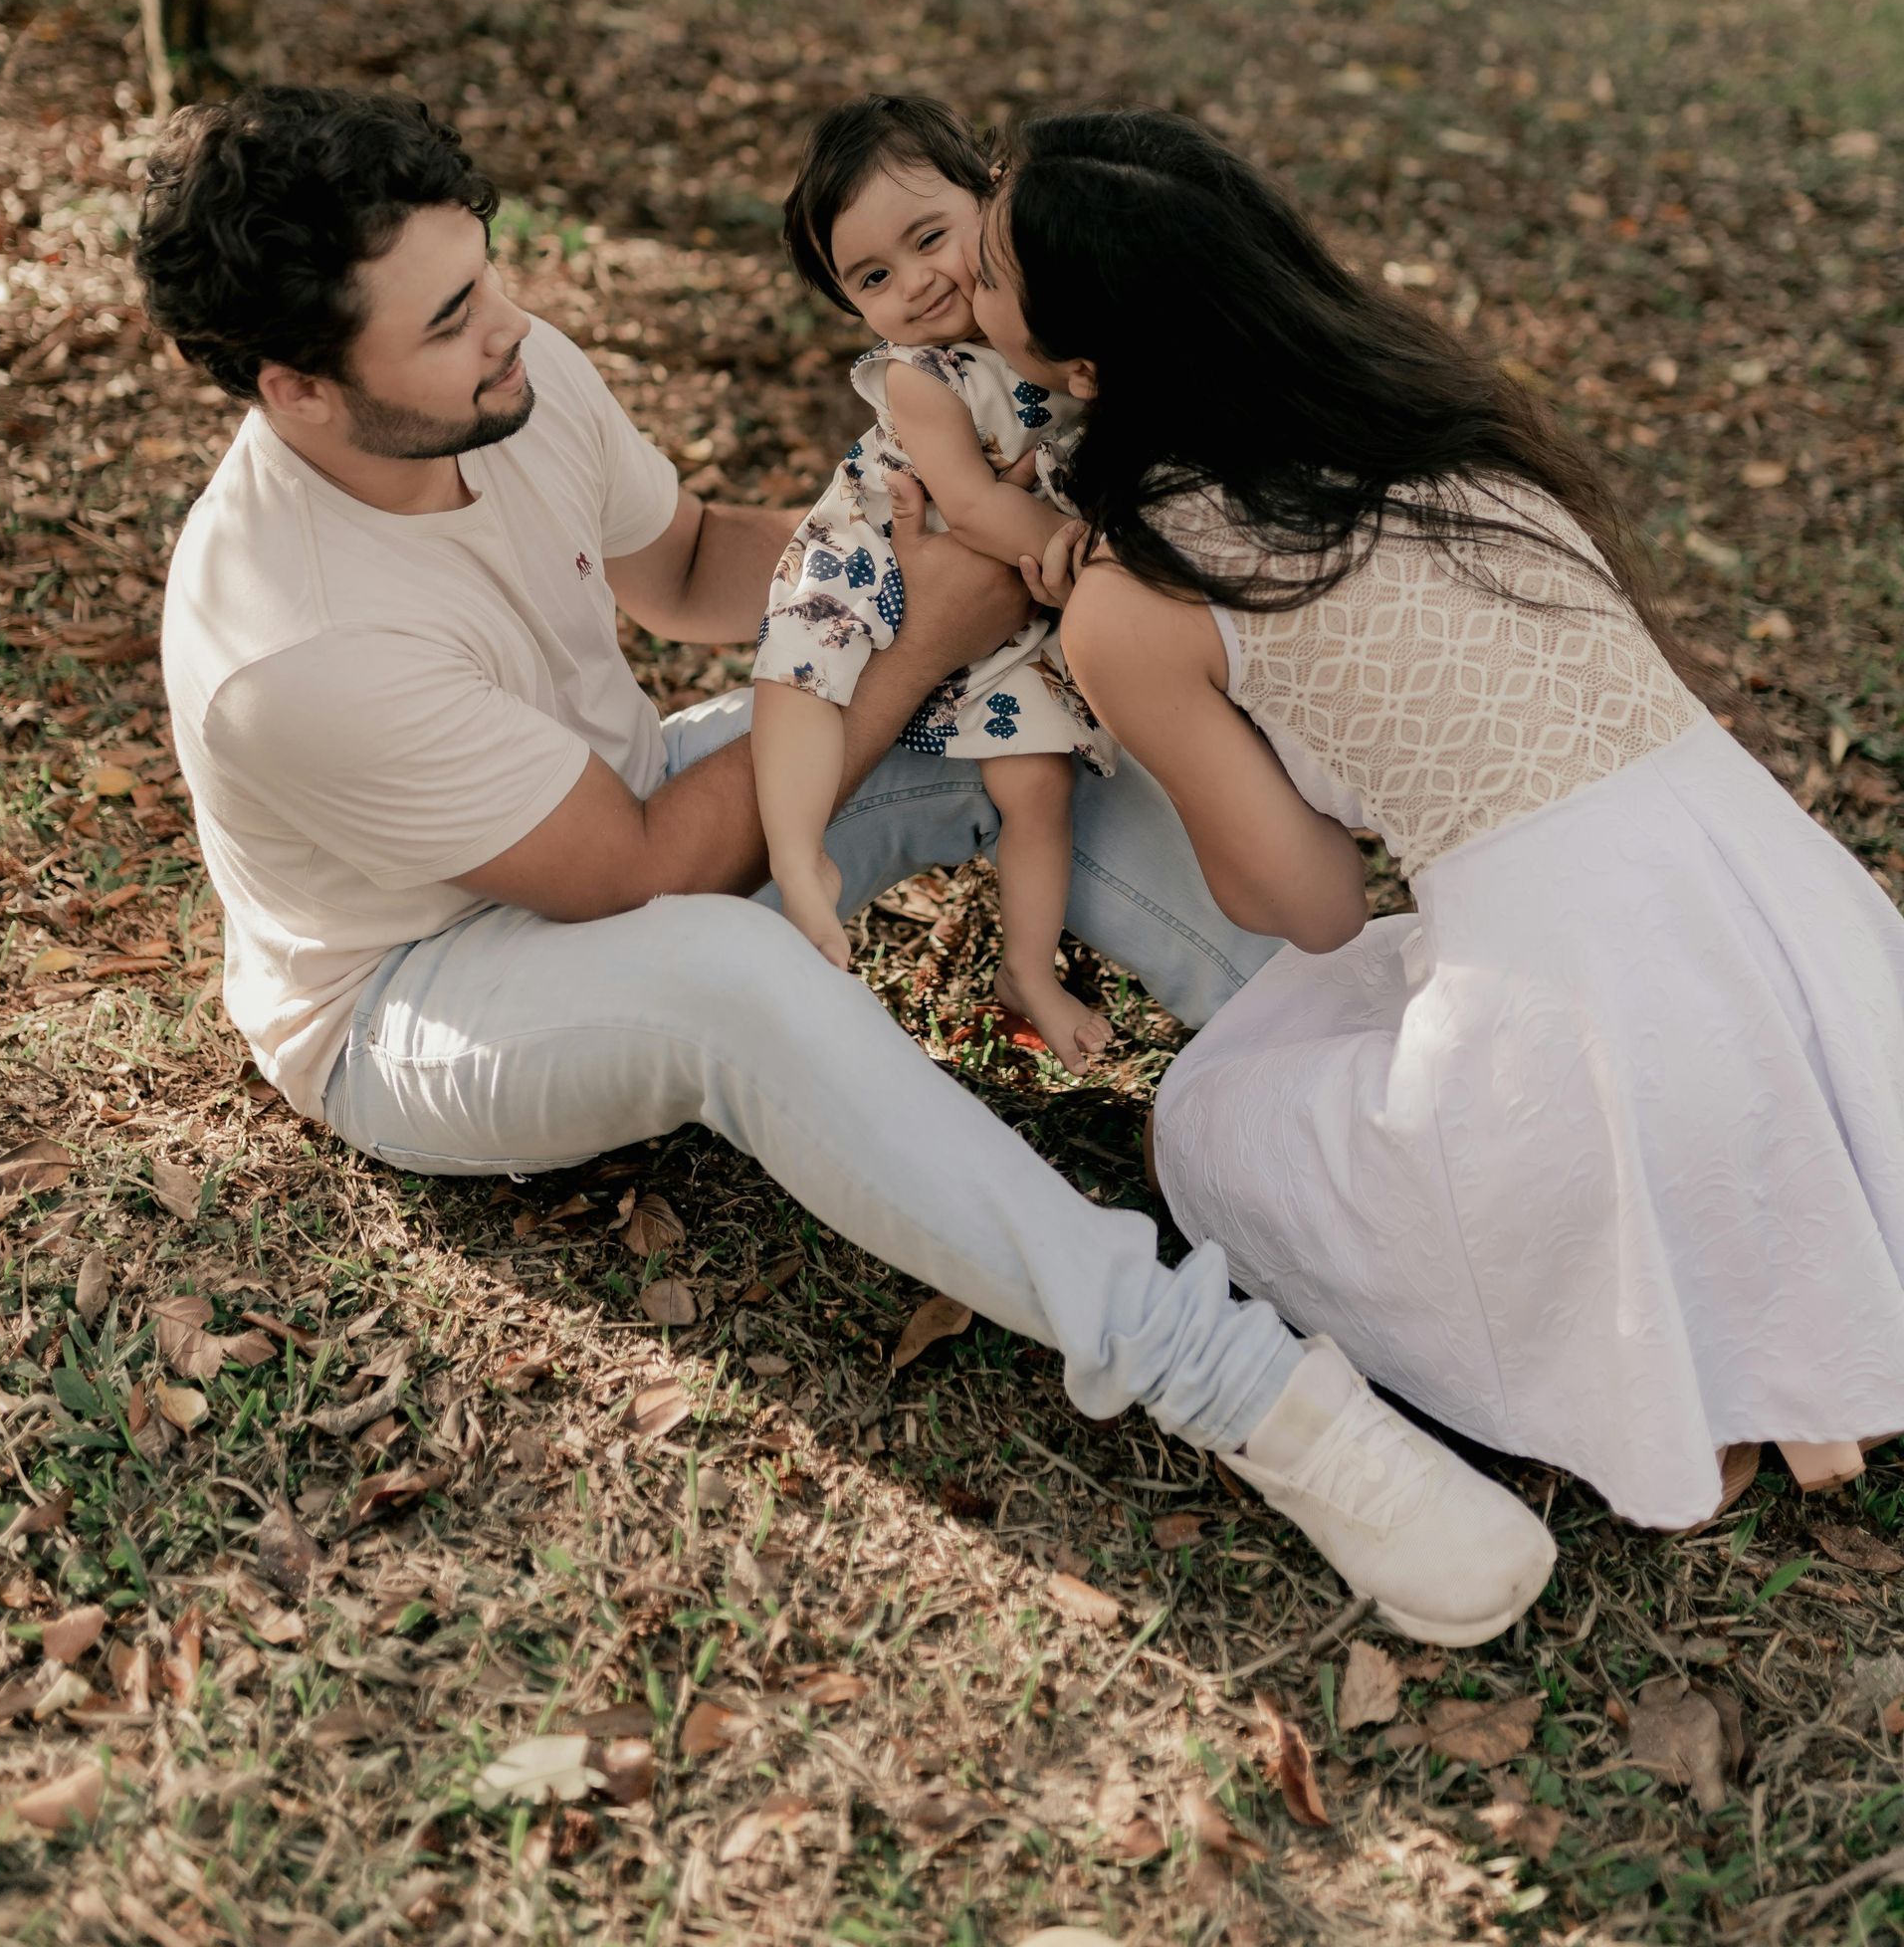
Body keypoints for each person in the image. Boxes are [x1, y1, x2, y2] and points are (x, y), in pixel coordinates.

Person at [134, 82, 1558, 1644]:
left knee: (1005, 717)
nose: (515, 326)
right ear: (300, 389)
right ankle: (1250, 1395)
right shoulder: (296, 646)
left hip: (615, 804)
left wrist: (931, 553)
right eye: (455, 317)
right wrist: (923, 623)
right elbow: (638, 878)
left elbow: (681, 570)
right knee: (739, 969)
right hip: (417, 992)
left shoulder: (509, 379)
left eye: (492, 274)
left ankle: (1438, 1112)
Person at [979, 106, 1904, 1531]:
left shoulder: (1134, 594)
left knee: (1204, 1124)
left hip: (1582, 1043)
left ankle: (1653, 1341)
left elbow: (1313, 905)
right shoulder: (1450, 432)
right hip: (1830, 967)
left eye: (984, 278)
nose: (956, 300)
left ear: (1087, 366)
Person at [754, 96, 1111, 1067]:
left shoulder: (1047, 316)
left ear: (992, 199)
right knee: (804, 676)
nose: (913, 284)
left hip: (1002, 615)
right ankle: (794, 847)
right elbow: (975, 501)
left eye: (930, 239)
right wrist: (1071, 551)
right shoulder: (921, 375)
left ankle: (1029, 968)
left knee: (1039, 789)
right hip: (872, 557)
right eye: (875, 275)